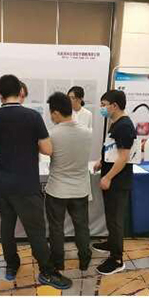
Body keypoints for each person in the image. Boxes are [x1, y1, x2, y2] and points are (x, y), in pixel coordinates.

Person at [0, 74, 52, 285]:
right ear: (20, 92)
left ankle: (11, 265)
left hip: (3, 183)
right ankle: (46, 269)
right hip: (27, 183)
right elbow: (47, 149)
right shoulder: (33, 117)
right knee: (36, 230)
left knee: (7, 228)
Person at [43, 93, 94, 282]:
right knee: (82, 227)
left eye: (51, 113)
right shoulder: (87, 132)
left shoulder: (52, 134)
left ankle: (58, 262)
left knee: (56, 229)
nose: (50, 116)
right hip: (80, 189)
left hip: (57, 190)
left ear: (56, 112)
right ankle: (84, 260)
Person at [98, 109, 137, 275]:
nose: (102, 108)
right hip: (112, 180)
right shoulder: (116, 123)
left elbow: (123, 157)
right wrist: (102, 161)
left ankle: (117, 259)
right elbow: (113, 150)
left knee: (115, 220)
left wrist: (108, 177)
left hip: (118, 182)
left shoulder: (125, 126)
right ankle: (111, 243)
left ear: (114, 106)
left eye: (104, 104)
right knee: (111, 218)